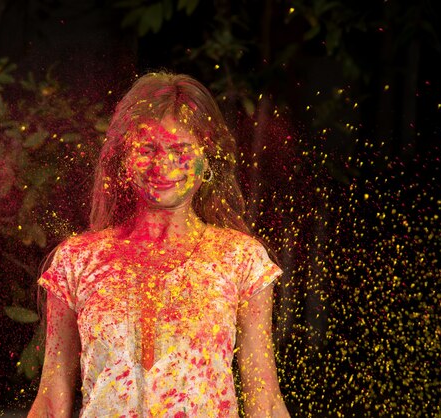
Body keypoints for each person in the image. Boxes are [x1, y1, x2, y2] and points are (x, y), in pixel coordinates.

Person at [28, 72, 290, 417]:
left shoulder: (240, 260)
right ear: (124, 158)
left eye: (180, 149)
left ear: (207, 157)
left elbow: (265, 400)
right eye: (148, 148)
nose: (163, 164)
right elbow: (52, 398)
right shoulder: (77, 261)